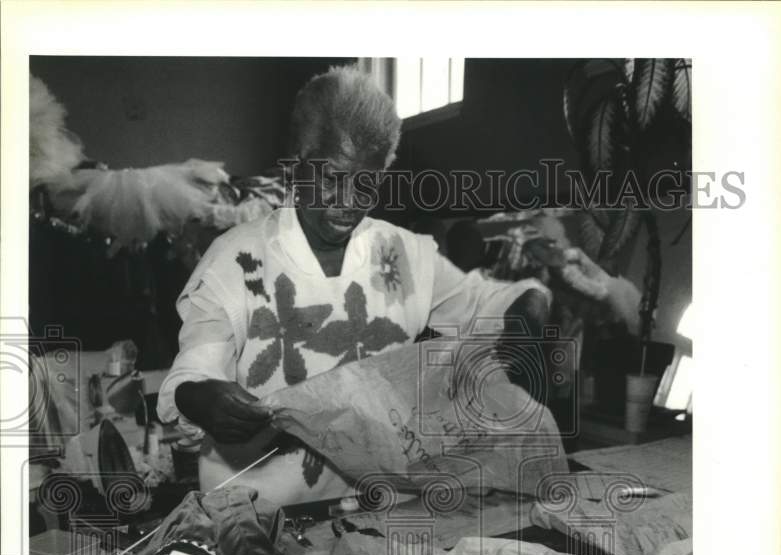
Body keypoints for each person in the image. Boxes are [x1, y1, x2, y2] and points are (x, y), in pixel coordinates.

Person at [157, 66, 633, 504]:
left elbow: (484, 301)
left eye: (366, 185)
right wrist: (198, 398)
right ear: (296, 165)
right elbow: (196, 364)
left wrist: (527, 301)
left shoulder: (402, 254)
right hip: (260, 507)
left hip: (380, 508)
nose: (347, 203)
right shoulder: (238, 260)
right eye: (332, 179)